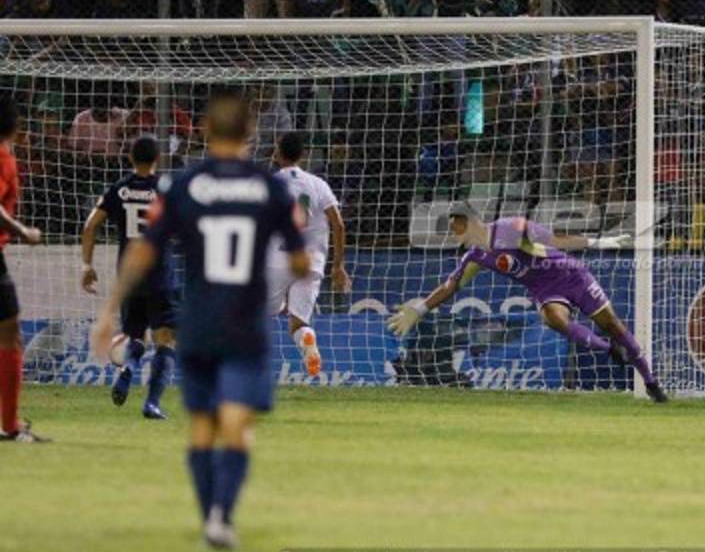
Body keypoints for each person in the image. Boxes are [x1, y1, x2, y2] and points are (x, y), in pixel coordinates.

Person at [89, 90, 310, 548]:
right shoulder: (271, 189)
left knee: (203, 427)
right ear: (250, 132)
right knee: (237, 425)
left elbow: (143, 251)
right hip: (245, 324)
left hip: (201, 321)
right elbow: (299, 259)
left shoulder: (181, 187)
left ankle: (209, 514)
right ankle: (221, 518)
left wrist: (109, 311)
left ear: (205, 130)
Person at [388, 202, 669, 402]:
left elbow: (554, 240)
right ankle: (608, 350)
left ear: (470, 222)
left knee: (613, 325)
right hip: (544, 290)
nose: (453, 233)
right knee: (553, 319)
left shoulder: (508, 228)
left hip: (571, 275)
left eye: (455, 226)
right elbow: (450, 286)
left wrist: (600, 243)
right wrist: (419, 309)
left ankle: (651, 382)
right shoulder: (475, 257)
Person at [80, 136, 177, 419]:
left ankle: (128, 368)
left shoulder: (119, 189)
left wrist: (86, 265)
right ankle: (152, 403)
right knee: (166, 339)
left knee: (135, 335)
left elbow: (90, 226)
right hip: (160, 274)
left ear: (130, 158)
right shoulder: (166, 189)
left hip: (130, 275)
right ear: (157, 159)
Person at [266, 132, 350, 377]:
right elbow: (339, 224)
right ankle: (306, 336)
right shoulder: (318, 184)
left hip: (277, 262)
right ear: (302, 155)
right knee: (298, 324)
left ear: (277, 153)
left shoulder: (269, 184)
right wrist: (338, 266)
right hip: (311, 262)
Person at [0, 97, 46, 442]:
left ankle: (9, 424)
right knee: (10, 333)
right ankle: (10, 426)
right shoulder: (3, 158)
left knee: (9, 331)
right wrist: (23, 231)